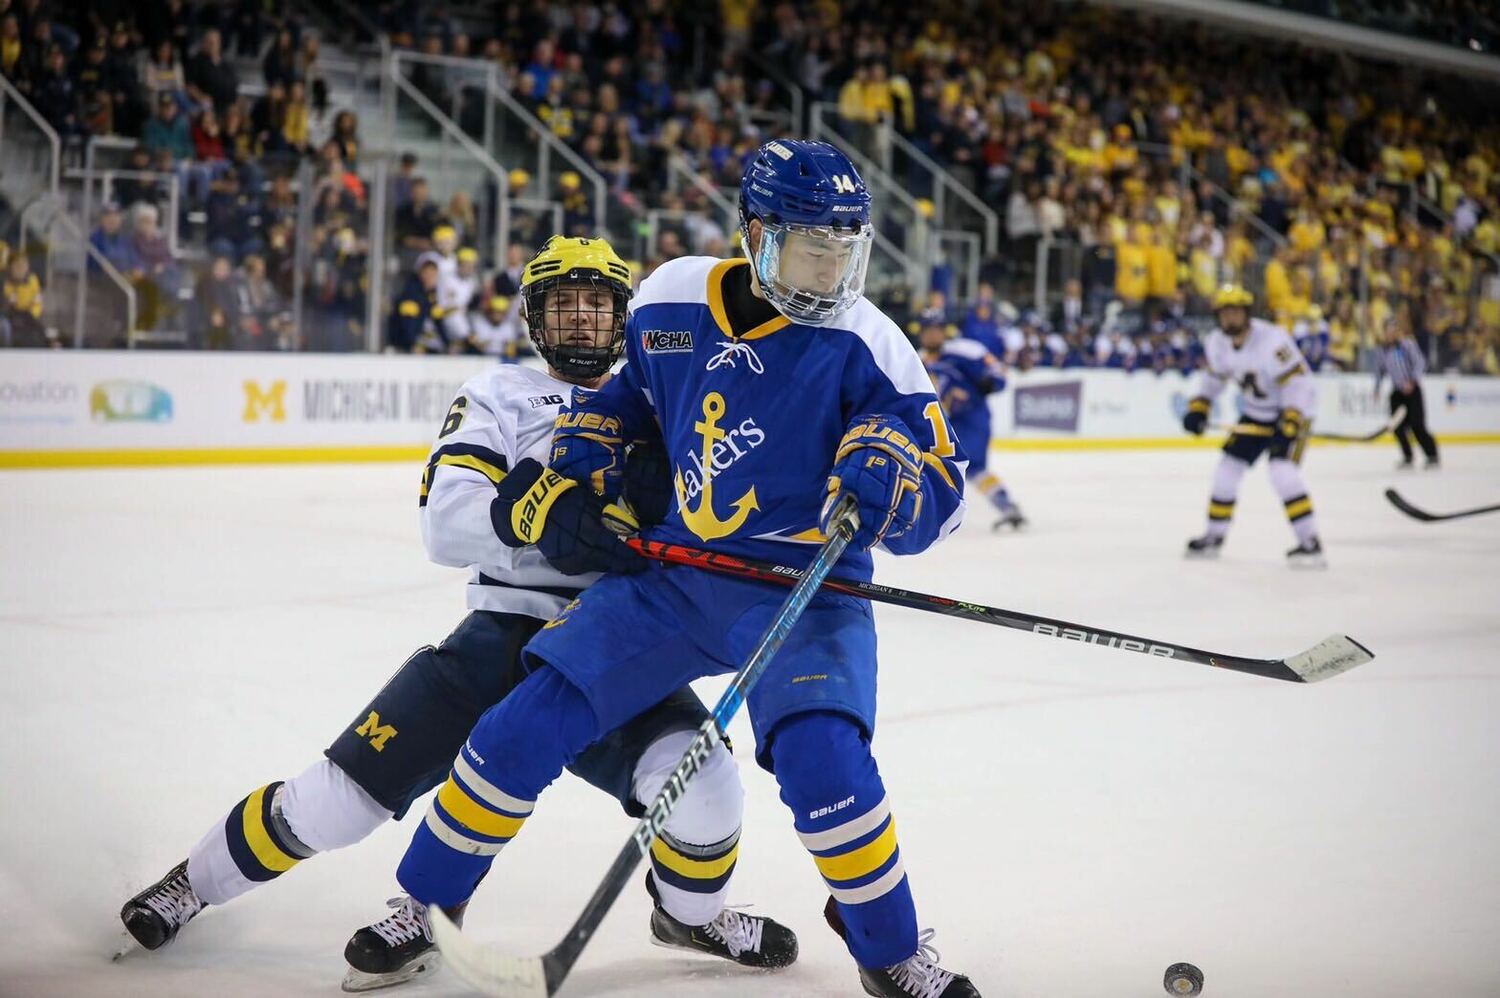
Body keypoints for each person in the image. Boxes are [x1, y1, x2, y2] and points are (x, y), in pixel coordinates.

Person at [370, 139, 980, 998]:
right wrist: (600, 438)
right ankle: (426, 904)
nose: (828, 271)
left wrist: (898, 486)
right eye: (810, 247)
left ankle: (889, 950)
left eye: (843, 250)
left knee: (825, 765)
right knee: (524, 719)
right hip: (679, 575)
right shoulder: (668, 298)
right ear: (755, 235)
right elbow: (631, 400)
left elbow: (946, 502)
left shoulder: (871, 344)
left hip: (803, 591)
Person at [119, 236, 797, 993]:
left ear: (622, 317)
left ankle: (689, 915)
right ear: (536, 319)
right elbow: (447, 520)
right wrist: (536, 521)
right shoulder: (499, 396)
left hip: (620, 636)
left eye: (596, 304)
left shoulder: (667, 405)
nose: (579, 320)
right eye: (562, 304)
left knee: (705, 785)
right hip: (503, 635)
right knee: (337, 801)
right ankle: (199, 884)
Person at [1182, 286, 1325, 568]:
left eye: (1236, 311)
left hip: (1292, 413)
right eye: (1225, 312)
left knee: (1282, 472)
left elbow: (1298, 383)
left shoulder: (1272, 340)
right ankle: (1214, 536)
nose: (1230, 318)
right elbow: (1214, 380)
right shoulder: (1217, 343)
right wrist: (1200, 407)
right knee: (1227, 470)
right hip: (1255, 413)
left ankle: (1310, 543)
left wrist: (1291, 420)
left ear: (1247, 313)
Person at [918, 317, 1025, 528]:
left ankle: (1006, 505)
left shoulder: (964, 351)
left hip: (970, 419)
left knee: (973, 467)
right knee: (929, 467)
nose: (931, 334)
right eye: (927, 330)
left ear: (944, 331)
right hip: (939, 423)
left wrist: (990, 382)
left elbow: (997, 373)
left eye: (936, 329)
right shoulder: (915, 357)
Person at [1374, 316, 1439, 470]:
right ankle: (1407, 456)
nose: (1392, 333)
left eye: (1394, 330)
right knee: (1397, 427)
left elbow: (1420, 363)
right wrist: (1376, 389)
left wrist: (1412, 381)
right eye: (1389, 330)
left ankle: (1432, 455)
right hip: (1397, 392)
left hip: (1413, 391)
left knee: (1417, 425)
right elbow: (1379, 371)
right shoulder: (1382, 350)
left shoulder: (1407, 345)